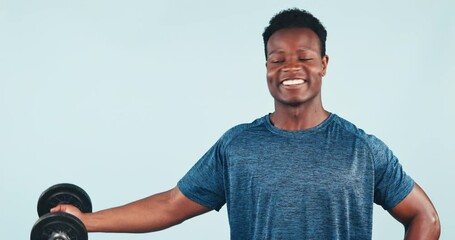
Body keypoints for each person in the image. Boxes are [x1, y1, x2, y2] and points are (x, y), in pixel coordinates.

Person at [52, 8, 441, 239]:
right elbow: (172, 205)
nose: (290, 67)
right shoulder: (238, 147)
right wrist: (85, 222)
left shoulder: (362, 149)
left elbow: (425, 216)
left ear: (324, 64)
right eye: (277, 58)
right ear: (267, 67)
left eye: (304, 56)